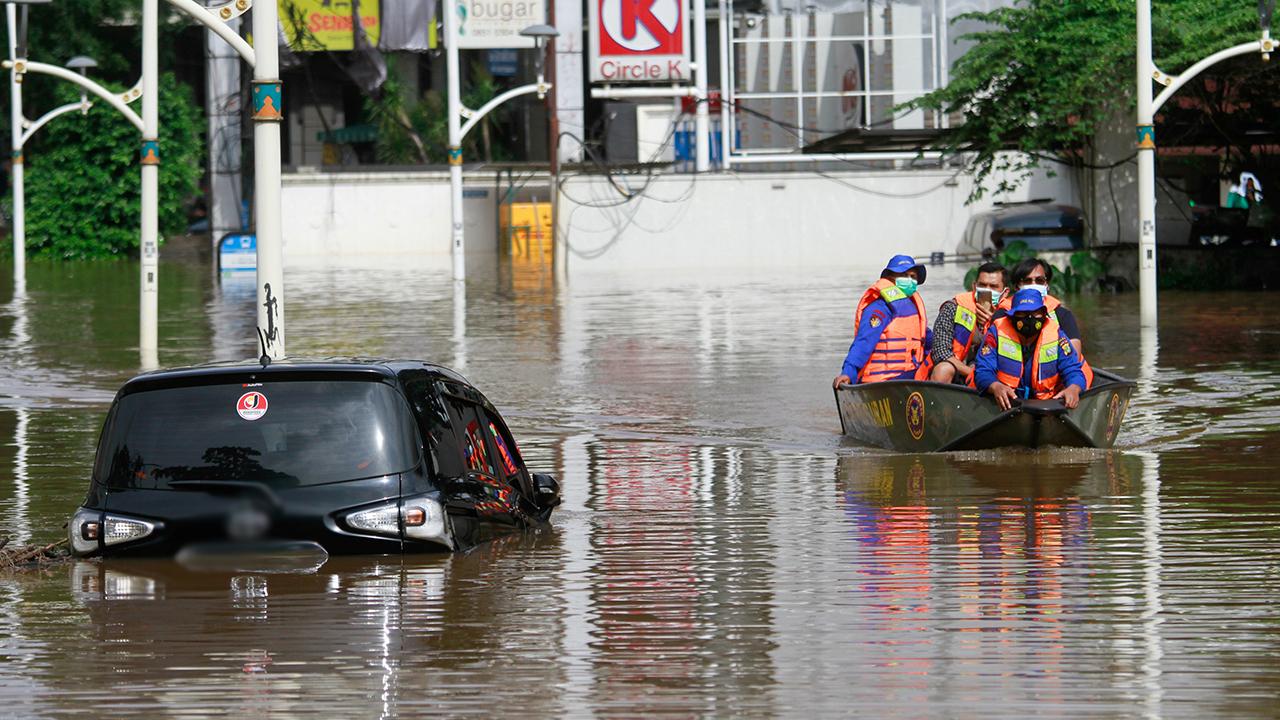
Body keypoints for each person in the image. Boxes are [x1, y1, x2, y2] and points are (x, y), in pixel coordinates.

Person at [975, 288, 1087, 411]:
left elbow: (1073, 370)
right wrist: (995, 386)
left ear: (1044, 315)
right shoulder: (996, 332)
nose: (1029, 318)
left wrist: (1074, 388)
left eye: (1035, 313)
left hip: (1046, 406)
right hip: (1008, 405)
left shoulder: (1056, 335)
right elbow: (982, 370)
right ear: (1012, 317)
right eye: (1022, 313)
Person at [833, 255, 933, 388]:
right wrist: (848, 373)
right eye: (904, 275)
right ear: (890, 278)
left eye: (913, 277)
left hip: (909, 376)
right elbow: (864, 341)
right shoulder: (879, 308)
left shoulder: (913, 308)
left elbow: (928, 340)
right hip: (883, 382)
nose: (910, 280)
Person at [929, 262, 1007, 385]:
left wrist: (993, 323)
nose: (987, 290)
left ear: (1005, 292)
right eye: (982, 285)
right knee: (943, 369)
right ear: (974, 287)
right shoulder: (953, 307)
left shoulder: (1010, 314)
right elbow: (941, 352)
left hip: (993, 373)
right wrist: (972, 373)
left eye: (993, 286)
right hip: (960, 370)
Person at [998, 258, 1084, 355]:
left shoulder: (1062, 315)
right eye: (1027, 281)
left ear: (1046, 285)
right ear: (1017, 287)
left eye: (1039, 280)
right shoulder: (1002, 314)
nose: (1034, 284)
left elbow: (1074, 355)